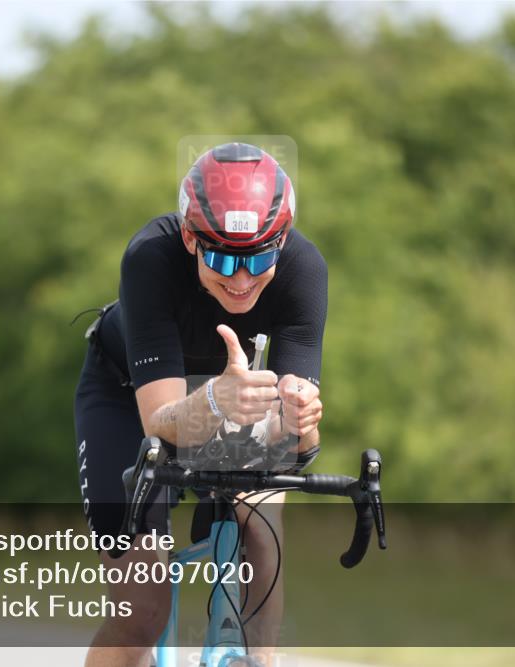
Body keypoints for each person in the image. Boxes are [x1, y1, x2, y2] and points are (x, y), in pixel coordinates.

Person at [74, 142, 327, 667]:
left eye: (259, 258)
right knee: (141, 611)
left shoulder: (303, 271)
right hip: (130, 400)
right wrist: (214, 396)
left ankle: (259, 660)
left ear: (280, 243)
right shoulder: (151, 258)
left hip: (236, 405)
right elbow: (160, 424)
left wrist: (303, 424)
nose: (240, 281)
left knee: (261, 523)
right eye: (221, 259)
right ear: (190, 237)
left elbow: (295, 442)